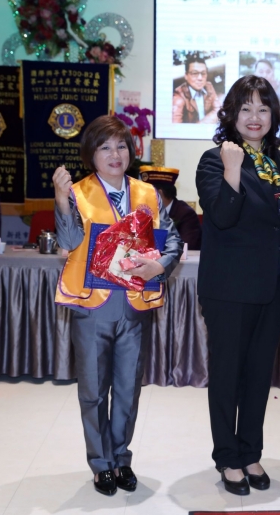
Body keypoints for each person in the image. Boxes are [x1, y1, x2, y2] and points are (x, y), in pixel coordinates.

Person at [53, 115, 183, 496]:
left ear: (131, 151)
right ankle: (100, 463)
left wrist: (160, 265)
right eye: (105, 147)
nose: (115, 154)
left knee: (128, 388)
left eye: (121, 146)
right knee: (93, 389)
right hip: (92, 306)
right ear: (91, 155)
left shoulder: (148, 193)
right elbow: (68, 241)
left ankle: (121, 458)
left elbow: (172, 240)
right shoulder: (78, 193)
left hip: (134, 306)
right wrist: (60, 198)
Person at [195, 75, 280, 496]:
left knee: (258, 376)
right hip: (228, 288)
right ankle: (227, 457)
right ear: (231, 115)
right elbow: (221, 216)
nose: (255, 117)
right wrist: (233, 170)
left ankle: (251, 452)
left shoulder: (279, 162)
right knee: (227, 375)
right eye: (246, 108)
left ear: (273, 116)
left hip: (271, 288)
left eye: (263, 108)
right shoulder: (213, 160)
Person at [139, 165, 202, 250]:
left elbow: (186, 245)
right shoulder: (144, 212)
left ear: (158, 194)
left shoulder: (185, 214)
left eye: (146, 193)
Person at [172, 55, 220, 124]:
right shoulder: (179, 98)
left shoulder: (208, 86)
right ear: (186, 75)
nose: (200, 78)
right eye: (194, 73)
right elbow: (175, 128)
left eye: (203, 73)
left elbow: (218, 110)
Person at [254, 58, 280, 122]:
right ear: (255, 74)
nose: (264, 75)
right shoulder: (246, 97)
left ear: (273, 74)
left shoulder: (279, 99)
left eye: (268, 72)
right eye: (261, 72)